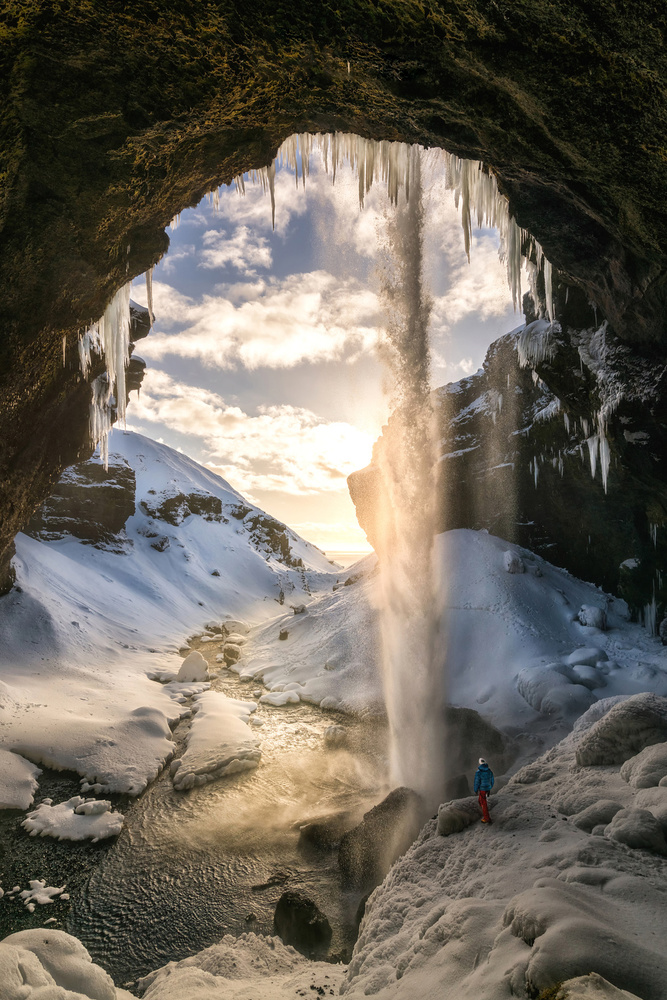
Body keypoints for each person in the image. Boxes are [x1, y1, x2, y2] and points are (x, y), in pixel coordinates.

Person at [474, 757, 494, 824]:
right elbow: (492, 780)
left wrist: (475, 790)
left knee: (483, 803)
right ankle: (484, 812)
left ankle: (486, 818)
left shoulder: (478, 772)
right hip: (487, 788)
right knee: (480, 801)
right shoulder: (489, 771)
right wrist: (489, 787)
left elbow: (477, 782)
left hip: (482, 789)